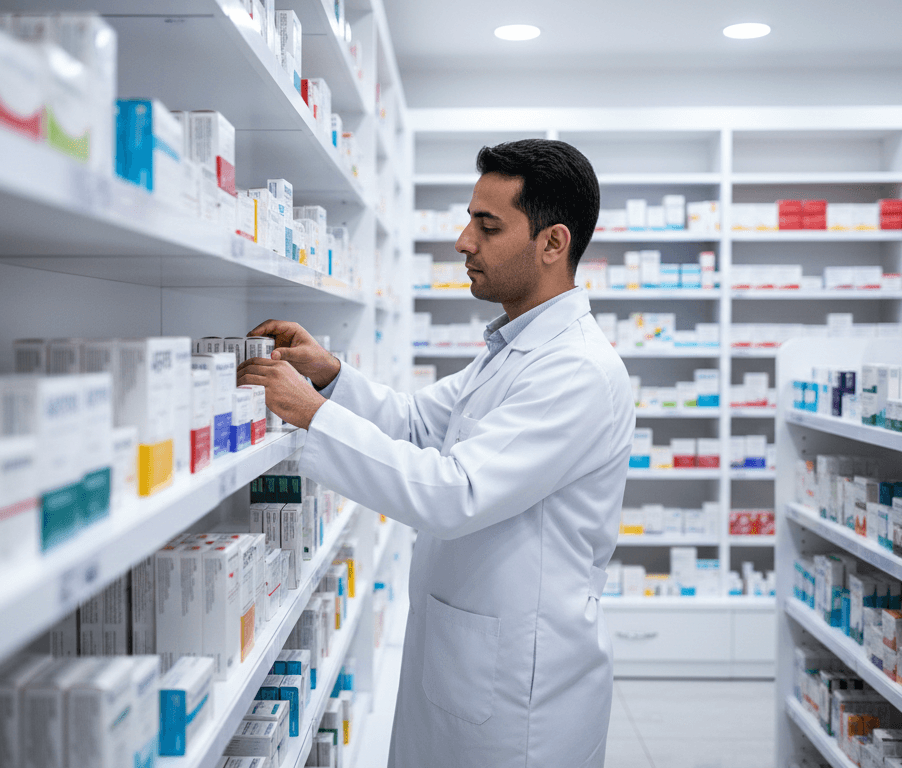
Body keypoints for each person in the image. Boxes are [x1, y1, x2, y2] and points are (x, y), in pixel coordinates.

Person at [236, 139, 635, 768]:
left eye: (488, 224)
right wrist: (331, 376)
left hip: (521, 693)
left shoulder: (576, 370)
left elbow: (454, 493)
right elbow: (421, 423)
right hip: (470, 658)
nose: (463, 241)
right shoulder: (513, 349)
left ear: (553, 244)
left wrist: (312, 414)